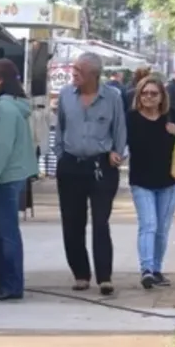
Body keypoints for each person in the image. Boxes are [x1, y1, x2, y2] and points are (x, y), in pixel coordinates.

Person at [54, 52, 126, 295]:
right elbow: (60, 127)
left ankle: (104, 276)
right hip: (71, 165)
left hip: (101, 166)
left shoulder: (112, 97)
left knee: (100, 221)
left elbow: (119, 129)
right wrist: (61, 155)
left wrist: (117, 152)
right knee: (72, 222)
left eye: (79, 71)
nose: (73, 74)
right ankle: (81, 274)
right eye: (73, 69)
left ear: (94, 75)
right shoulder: (65, 95)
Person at [127, 76, 175, 289]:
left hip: (169, 180)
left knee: (162, 228)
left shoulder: (172, 116)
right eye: (144, 93)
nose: (148, 97)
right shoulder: (131, 118)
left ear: (161, 96)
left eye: (153, 93)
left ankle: (156, 269)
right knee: (148, 224)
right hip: (141, 180)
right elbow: (118, 140)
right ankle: (146, 269)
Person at [0, 59, 39, 301]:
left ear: (1, 79)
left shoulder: (4, 108)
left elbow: (1, 145)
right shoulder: (12, 105)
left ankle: (11, 284)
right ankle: (4, 280)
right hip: (12, 174)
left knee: (5, 231)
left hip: (5, 176)